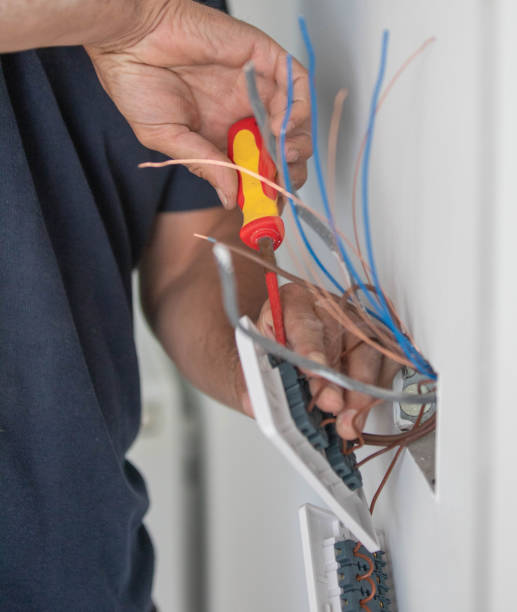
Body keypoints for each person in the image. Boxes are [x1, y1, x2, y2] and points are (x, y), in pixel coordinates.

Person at [0, 0, 396, 609]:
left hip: (88, 576)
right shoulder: (149, 14)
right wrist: (130, 22)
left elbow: (188, 260)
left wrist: (254, 358)